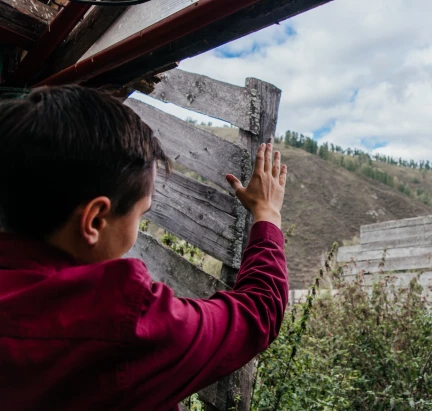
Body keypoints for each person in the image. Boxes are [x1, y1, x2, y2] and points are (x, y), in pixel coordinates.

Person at [0, 85, 288, 410]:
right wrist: (267, 213)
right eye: (141, 213)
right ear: (94, 220)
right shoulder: (124, 323)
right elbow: (258, 312)